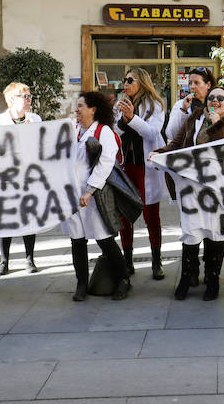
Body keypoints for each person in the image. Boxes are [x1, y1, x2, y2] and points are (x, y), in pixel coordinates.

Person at [155, 85, 224, 301]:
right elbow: (177, 144)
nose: (215, 101)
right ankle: (186, 278)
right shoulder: (194, 118)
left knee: (215, 233)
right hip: (192, 188)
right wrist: (159, 154)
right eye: (211, 97)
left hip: (219, 190)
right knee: (191, 232)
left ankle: (212, 279)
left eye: (220, 98)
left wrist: (218, 123)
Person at [65, 91, 132, 302]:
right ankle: (81, 284)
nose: (76, 110)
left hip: (95, 196)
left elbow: (105, 164)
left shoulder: (104, 132)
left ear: (93, 109)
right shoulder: (73, 131)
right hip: (72, 195)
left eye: (80, 106)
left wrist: (89, 191)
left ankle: (123, 280)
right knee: (77, 240)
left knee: (105, 240)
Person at [113, 68, 167, 280]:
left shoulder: (155, 105)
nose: (125, 84)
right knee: (125, 216)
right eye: (123, 80)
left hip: (146, 166)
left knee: (151, 216)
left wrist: (131, 118)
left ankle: (156, 261)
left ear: (142, 82)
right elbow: (115, 132)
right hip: (127, 166)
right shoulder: (123, 103)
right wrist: (122, 119)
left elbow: (152, 133)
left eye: (129, 80)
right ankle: (127, 261)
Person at [0, 82, 41, 275]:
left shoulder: (35, 119)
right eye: (24, 97)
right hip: (6, 177)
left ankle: (30, 258)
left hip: (28, 176)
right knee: (6, 219)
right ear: (11, 100)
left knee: (29, 217)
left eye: (29, 96)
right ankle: (4, 261)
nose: (28, 100)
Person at [165, 67, 215, 141]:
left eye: (196, 83)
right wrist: (183, 110)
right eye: (190, 83)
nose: (192, 87)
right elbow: (171, 135)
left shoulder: (214, 105)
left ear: (208, 85)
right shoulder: (181, 105)